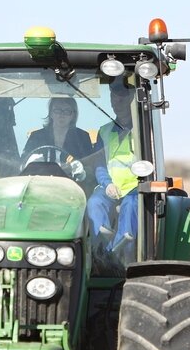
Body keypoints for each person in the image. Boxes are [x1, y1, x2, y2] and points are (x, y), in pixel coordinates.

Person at [86, 81, 139, 259]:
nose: (118, 103)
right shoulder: (104, 132)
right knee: (94, 203)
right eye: (114, 99)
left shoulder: (143, 131)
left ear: (132, 99)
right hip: (110, 187)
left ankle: (119, 256)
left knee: (131, 206)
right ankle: (99, 251)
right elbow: (99, 164)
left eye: (123, 98)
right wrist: (107, 184)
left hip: (135, 188)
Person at [21, 97, 95, 183]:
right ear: (51, 113)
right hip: (40, 184)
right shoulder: (36, 136)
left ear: (73, 115)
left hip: (72, 185)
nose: (61, 115)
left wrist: (82, 172)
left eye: (67, 111)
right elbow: (21, 165)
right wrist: (29, 163)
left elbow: (91, 167)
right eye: (57, 110)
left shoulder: (82, 137)